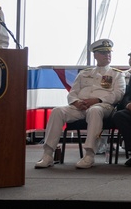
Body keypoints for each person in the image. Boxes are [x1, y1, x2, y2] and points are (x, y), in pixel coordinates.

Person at [34, 38, 126, 169]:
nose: (107, 55)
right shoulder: (85, 73)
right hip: (80, 107)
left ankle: (89, 154)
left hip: (103, 106)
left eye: (109, 53)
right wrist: (76, 102)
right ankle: (48, 154)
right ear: (95, 55)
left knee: (95, 111)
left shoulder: (116, 74)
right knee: (57, 111)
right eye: (103, 53)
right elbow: (73, 92)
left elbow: (118, 94)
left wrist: (97, 100)